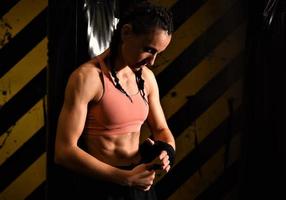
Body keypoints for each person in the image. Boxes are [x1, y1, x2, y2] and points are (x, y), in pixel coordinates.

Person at [54, 1, 176, 199]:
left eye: (158, 54)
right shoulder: (88, 78)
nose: (152, 62)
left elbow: (162, 130)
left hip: (140, 183)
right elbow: (64, 151)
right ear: (126, 32)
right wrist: (125, 178)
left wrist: (167, 151)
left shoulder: (146, 78)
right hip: (104, 186)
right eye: (149, 50)